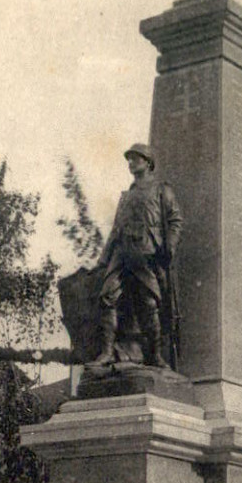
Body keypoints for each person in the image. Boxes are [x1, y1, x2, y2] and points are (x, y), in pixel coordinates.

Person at [93, 143, 183, 369]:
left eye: (136, 159)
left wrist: (169, 245)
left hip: (146, 253)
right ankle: (106, 352)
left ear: (148, 162)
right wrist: (104, 259)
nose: (131, 164)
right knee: (107, 297)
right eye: (129, 160)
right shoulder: (127, 195)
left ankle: (154, 355)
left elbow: (175, 221)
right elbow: (115, 229)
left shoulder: (162, 190)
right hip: (122, 252)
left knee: (149, 303)